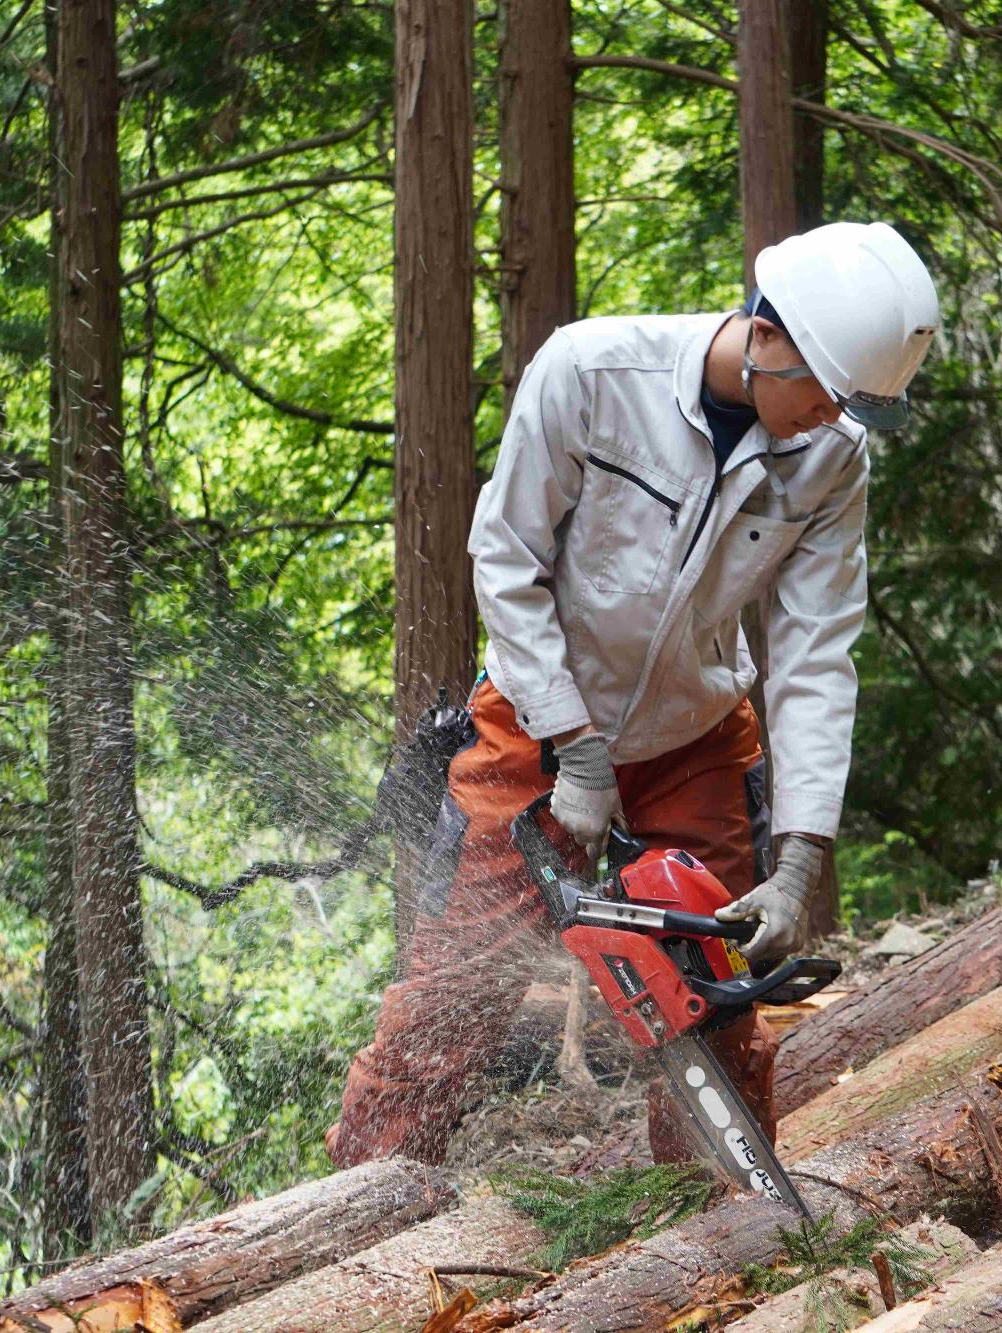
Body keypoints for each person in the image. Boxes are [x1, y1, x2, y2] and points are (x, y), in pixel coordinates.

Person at [327, 220, 940, 1169]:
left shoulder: (834, 455)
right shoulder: (594, 374)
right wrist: (572, 744)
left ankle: (707, 1230)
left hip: (696, 736)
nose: (832, 418)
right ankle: (349, 1214)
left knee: (719, 1007)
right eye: (825, 394)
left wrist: (801, 857)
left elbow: (817, 652)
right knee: (445, 1003)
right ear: (768, 335)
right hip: (532, 726)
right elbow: (507, 558)